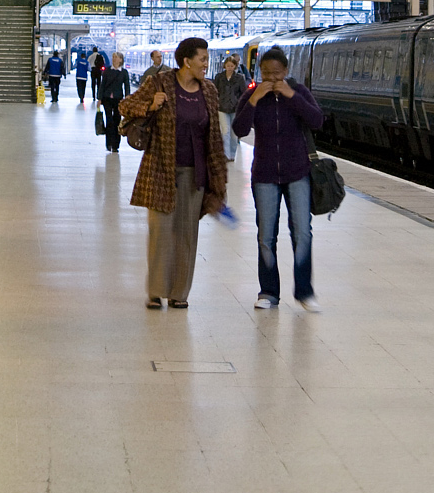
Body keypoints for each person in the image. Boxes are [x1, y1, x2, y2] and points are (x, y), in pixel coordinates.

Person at [120, 35, 226, 308]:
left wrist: (219, 181)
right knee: (160, 231)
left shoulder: (209, 90)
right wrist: (150, 106)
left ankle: (180, 293)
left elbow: (213, 137)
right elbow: (125, 106)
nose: (206, 64)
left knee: (186, 234)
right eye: (202, 59)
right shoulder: (160, 83)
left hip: (196, 173)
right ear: (186, 61)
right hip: (161, 169)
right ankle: (156, 290)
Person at [231, 48, 325, 309]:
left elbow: (317, 120)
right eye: (266, 74)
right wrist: (253, 100)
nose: (271, 79)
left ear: (285, 71)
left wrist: (291, 96)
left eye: (276, 74)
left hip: (298, 173)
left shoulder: (299, 92)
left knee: (302, 233)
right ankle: (269, 292)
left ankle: (305, 292)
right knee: (266, 235)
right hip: (265, 174)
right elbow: (238, 129)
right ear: (260, 73)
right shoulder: (253, 95)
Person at [93, 50, 128, 151]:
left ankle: (116, 145)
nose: (114, 59)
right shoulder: (107, 71)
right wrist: (99, 98)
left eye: (116, 57)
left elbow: (127, 87)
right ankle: (109, 143)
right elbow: (102, 85)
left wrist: (127, 99)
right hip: (107, 99)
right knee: (109, 121)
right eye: (113, 57)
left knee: (117, 121)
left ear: (120, 60)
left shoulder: (124, 72)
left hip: (118, 100)